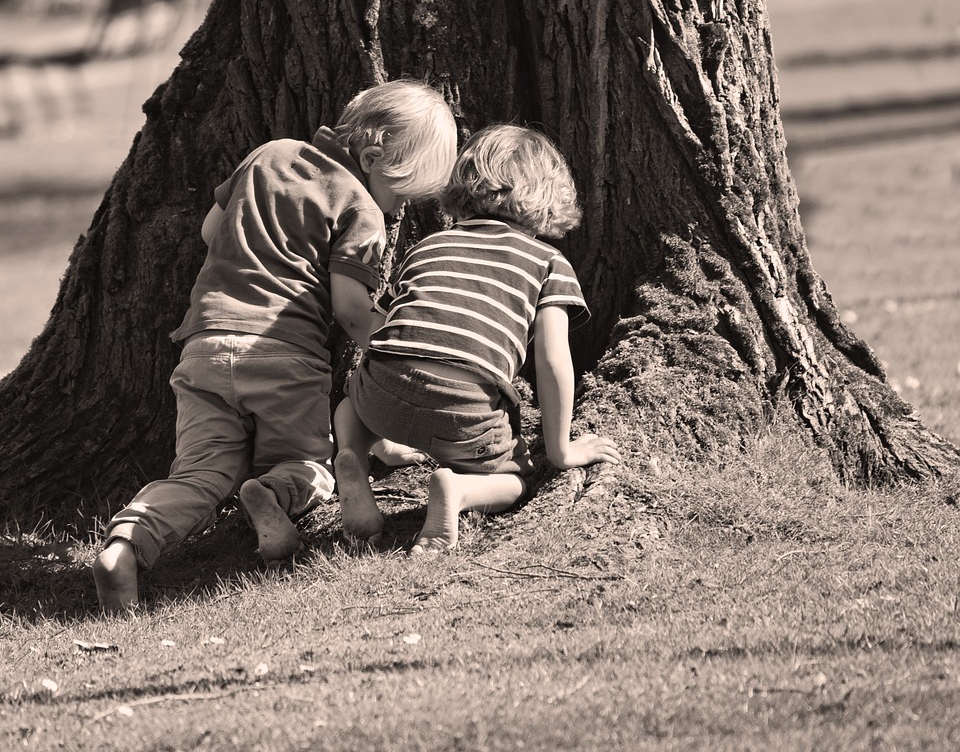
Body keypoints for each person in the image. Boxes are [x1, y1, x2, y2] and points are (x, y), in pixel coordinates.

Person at [93, 80, 459, 613]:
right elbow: (350, 309)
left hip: (206, 346)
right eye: (403, 192)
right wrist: (401, 357)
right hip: (286, 355)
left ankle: (126, 544)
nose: (402, 206)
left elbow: (210, 230)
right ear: (372, 158)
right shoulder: (362, 210)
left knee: (199, 474)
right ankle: (275, 491)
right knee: (306, 463)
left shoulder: (270, 153)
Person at [334, 124, 621, 554]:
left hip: (382, 390)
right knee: (515, 480)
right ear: (550, 196)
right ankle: (459, 490)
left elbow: (392, 327)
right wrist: (561, 450)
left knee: (348, 405)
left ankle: (352, 457)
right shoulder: (548, 262)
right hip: (464, 410)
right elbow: (552, 359)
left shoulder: (429, 245)